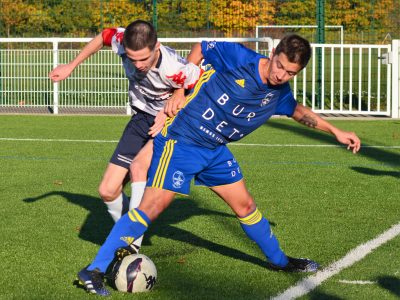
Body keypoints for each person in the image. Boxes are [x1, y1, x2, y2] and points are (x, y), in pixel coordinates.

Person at [76, 34, 361, 296]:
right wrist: (180, 88)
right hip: (182, 142)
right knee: (150, 209)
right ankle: (95, 270)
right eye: (280, 66)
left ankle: (280, 262)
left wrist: (335, 131)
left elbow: (298, 112)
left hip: (214, 151)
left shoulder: (280, 92)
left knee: (246, 206)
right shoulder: (241, 59)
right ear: (273, 53)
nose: (281, 75)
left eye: (290, 73)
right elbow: (202, 47)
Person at [49, 20, 201, 250]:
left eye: (143, 58)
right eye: (132, 58)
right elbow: (103, 36)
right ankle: (129, 233)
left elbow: (201, 88)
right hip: (141, 119)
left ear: (156, 47)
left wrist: (174, 105)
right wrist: (71, 65)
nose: (138, 64)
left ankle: (131, 246)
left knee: (138, 168)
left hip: (170, 123)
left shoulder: (175, 67)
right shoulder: (121, 40)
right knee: (107, 190)